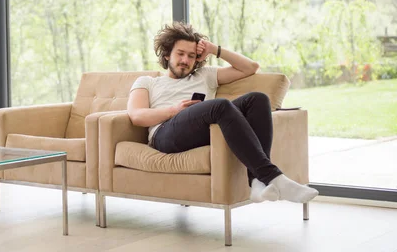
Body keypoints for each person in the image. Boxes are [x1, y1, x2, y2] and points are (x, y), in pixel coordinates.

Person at [127, 21, 318, 204]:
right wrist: (173, 110)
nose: (185, 60)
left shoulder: (205, 75)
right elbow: (137, 116)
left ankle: (257, 182)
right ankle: (274, 178)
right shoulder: (148, 82)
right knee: (220, 105)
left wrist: (214, 49)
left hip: (203, 130)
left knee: (258, 99)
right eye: (180, 54)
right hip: (165, 136)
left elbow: (251, 68)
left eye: (191, 56)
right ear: (167, 54)